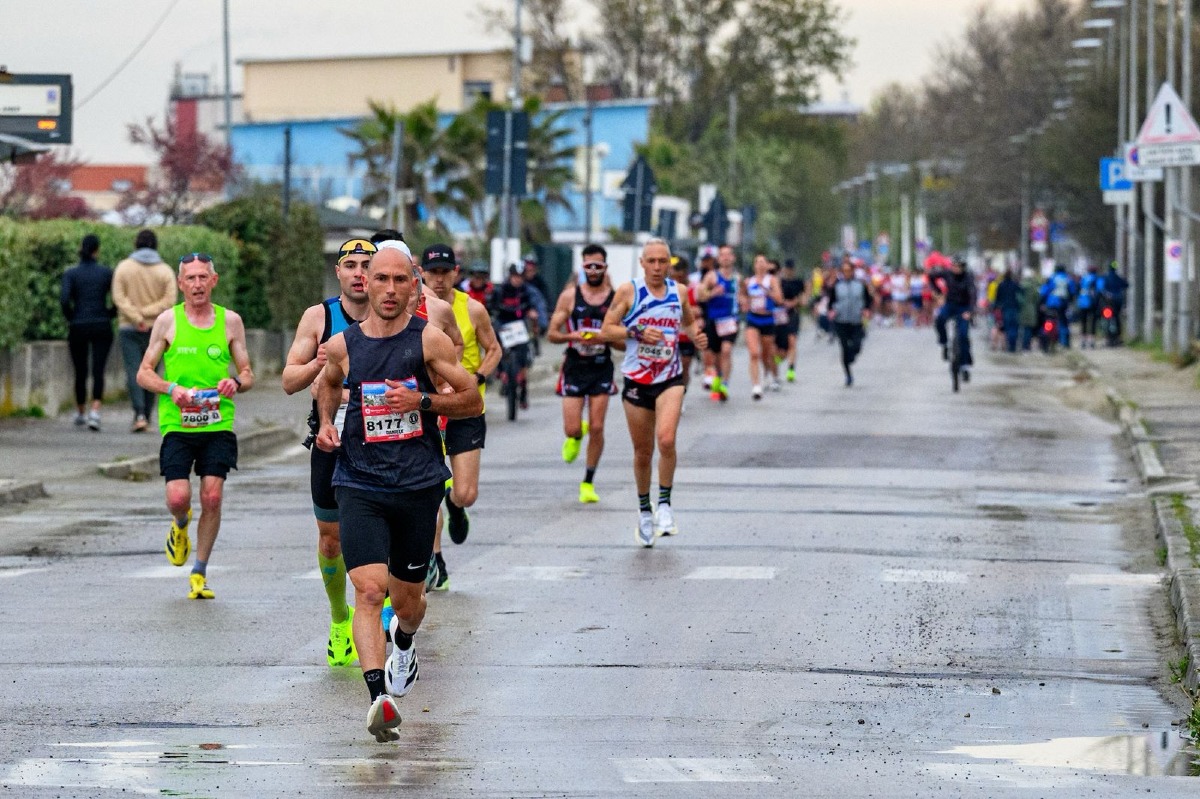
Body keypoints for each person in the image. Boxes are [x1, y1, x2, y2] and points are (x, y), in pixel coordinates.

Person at [314, 246, 482, 742]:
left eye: (398, 280)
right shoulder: (344, 344)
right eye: (379, 279)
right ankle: (378, 698)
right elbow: (327, 382)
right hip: (359, 482)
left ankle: (403, 644)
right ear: (367, 284)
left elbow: (470, 398)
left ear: (414, 285)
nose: (388, 289)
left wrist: (423, 401)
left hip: (416, 485)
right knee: (369, 589)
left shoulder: (428, 340)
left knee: (409, 604)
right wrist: (326, 424)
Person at [136, 253, 254, 600]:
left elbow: (247, 373)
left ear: (213, 281)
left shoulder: (230, 321)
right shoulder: (167, 321)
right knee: (178, 497)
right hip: (178, 423)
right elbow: (144, 372)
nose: (198, 284)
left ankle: (199, 572)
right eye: (191, 279)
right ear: (180, 284)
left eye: (204, 277)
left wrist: (236, 383)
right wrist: (172, 389)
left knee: (213, 495)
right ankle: (181, 524)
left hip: (218, 422)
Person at [282, 238, 375, 667]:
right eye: (350, 265)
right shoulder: (319, 316)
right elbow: (288, 380)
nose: (359, 273)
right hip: (330, 435)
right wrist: (322, 363)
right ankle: (340, 617)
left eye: (366, 265)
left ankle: (376, 610)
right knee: (330, 538)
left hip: (384, 438)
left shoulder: (392, 315)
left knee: (382, 533)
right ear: (338, 272)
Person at [601, 239, 707, 547]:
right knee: (643, 452)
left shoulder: (680, 292)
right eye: (653, 261)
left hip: (669, 377)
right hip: (636, 380)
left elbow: (687, 320)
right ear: (643, 263)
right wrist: (635, 332)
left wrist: (695, 335)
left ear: (670, 264)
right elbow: (607, 329)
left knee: (667, 439)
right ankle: (644, 509)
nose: (658, 267)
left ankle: (664, 505)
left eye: (664, 261)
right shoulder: (628, 292)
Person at [420, 243, 502, 588]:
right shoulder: (415, 308)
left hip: (466, 406)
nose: (439, 280)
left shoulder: (473, 309)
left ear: (456, 272)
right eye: (433, 273)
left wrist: (476, 378)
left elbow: (494, 349)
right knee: (428, 489)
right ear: (421, 273)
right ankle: (435, 560)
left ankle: (455, 506)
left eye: (445, 272)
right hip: (429, 408)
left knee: (465, 493)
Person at [548, 243, 619, 504]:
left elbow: (624, 340)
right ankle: (577, 433)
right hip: (575, 367)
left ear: (605, 267)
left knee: (599, 427)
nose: (593, 270)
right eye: (588, 266)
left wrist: (606, 336)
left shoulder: (615, 298)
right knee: (572, 427)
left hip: (601, 366)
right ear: (582, 267)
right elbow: (552, 334)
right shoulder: (569, 296)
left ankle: (587, 482)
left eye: (598, 266)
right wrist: (572, 336)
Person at [113, 229, 176, 432]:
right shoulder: (165, 271)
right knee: (153, 371)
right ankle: (147, 414)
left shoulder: (124, 268)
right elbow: (169, 300)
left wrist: (136, 316)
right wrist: (148, 314)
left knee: (134, 370)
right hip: (156, 329)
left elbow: (119, 297)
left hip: (129, 327)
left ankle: (138, 413)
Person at [60, 234, 115, 431]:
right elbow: (116, 298)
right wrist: (110, 314)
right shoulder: (106, 273)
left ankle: (81, 411)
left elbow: (65, 300)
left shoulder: (71, 273)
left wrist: (72, 317)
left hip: (78, 325)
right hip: (101, 323)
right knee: (98, 370)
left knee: (80, 370)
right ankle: (95, 411)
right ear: (97, 250)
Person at [489, 265, 539, 410]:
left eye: (520, 276)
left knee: (523, 356)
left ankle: (523, 389)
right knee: (495, 343)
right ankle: (499, 369)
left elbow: (532, 306)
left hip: (519, 325)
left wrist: (532, 313)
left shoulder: (526, 291)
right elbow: (492, 307)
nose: (517, 280)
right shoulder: (500, 290)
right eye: (515, 276)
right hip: (503, 324)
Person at [698, 244, 740, 401]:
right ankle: (719, 375)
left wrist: (744, 302)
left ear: (733, 257)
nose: (726, 257)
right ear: (719, 258)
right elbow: (700, 296)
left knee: (727, 350)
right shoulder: (711, 276)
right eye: (723, 255)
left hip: (731, 320)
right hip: (713, 320)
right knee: (715, 356)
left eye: (729, 254)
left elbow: (743, 296)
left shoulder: (738, 277)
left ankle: (725, 383)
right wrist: (713, 292)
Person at [739, 253, 784, 399]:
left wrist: (766, 291)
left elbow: (779, 299)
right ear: (754, 266)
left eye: (762, 261)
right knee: (754, 353)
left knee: (766, 354)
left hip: (767, 319)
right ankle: (756, 386)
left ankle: (768, 372)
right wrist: (744, 301)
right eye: (757, 261)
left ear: (767, 265)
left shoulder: (771, 280)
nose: (760, 264)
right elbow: (742, 296)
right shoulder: (748, 281)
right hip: (753, 319)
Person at [826, 259, 872, 386]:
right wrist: (831, 311)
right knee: (844, 347)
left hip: (856, 320)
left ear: (853, 271)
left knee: (856, 345)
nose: (846, 273)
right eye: (844, 271)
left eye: (849, 270)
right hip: (841, 320)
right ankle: (848, 374)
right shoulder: (837, 286)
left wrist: (866, 310)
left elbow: (867, 300)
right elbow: (831, 302)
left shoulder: (860, 285)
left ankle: (852, 355)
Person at [931, 257, 976, 379]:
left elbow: (973, 294)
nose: (955, 269)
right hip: (950, 304)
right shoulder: (947, 274)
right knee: (940, 320)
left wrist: (970, 311)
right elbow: (931, 276)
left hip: (964, 307)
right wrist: (937, 290)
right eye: (954, 266)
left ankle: (965, 366)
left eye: (958, 267)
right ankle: (944, 343)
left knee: (963, 335)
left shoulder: (968, 277)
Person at [772, 259, 806, 382]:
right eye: (787, 269)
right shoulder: (779, 282)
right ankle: (777, 362)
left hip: (793, 314)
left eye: (791, 269)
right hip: (779, 315)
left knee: (792, 341)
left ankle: (791, 368)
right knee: (779, 346)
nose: (789, 271)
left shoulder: (798, 282)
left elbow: (803, 298)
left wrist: (795, 302)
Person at [1039, 262, 1077, 349]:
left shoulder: (1052, 278)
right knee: (1064, 322)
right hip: (1063, 303)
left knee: (1049, 320)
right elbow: (1072, 291)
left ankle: (1047, 339)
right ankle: (1064, 342)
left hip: (1051, 303)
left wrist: (1042, 302)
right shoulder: (1068, 279)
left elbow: (1044, 291)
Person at [992, 268, 1024, 354]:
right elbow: (1021, 293)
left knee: (1007, 328)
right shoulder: (1015, 284)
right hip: (1014, 308)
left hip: (1005, 309)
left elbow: (997, 298)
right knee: (1014, 328)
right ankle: (1012, 346)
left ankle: (1009, 345)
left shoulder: (1001, 285)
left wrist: (995, 308)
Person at [1097, 262, 1129, 345]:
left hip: (1107, 303)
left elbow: (1100, 289)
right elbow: (1126, 284)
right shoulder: (1118, 278)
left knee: (1106, 319)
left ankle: (1108, 338)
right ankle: (1117, 337)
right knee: (1117, 319)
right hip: (1118, 302)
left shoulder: (1104, 278)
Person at [1076, 264, 1100, 349]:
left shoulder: (1083, 278)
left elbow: (1078, 288)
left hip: (1082, 303)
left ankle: (1083, 341)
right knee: (1093, 322)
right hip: (1092, 303)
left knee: (1083, 322)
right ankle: (1092, 341)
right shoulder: (1096, 278)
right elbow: (1100, 289)